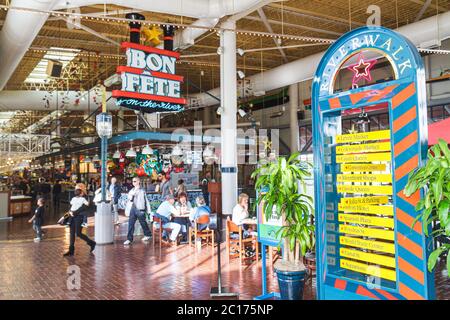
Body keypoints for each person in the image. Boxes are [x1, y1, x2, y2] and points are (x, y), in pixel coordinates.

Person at [64, 188, 96, 257]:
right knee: (72, 233)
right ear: (81, 193)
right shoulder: (81, 199)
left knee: (78, 233)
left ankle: (91, 243)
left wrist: (73, 212)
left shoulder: (78, 199)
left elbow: (83, 207)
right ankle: (71, 250)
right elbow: (86, 204)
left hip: (78, 217)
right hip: (73, 216)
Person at [123, 177, 152, 245]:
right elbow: (129, 198)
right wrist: (132, 194)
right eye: (133, 181)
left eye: (135, 181)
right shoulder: (132, 190)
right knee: (131, 224)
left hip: (140, 209)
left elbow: (146, 200)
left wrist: (148, 210)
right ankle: (129, 239)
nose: (133, 183)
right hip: (133, 208)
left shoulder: (142, 190)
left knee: (143, 223)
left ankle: (148, 234)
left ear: (138, 181)